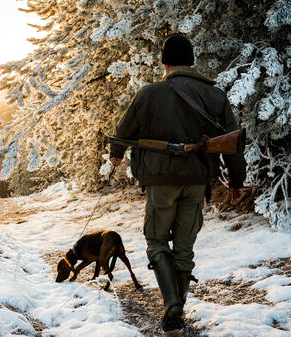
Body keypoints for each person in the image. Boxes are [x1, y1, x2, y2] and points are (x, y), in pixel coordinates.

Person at [109, 34, 246, 333]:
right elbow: (234, 144)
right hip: (198, 182)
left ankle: (172, 303)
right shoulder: (215, 96)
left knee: (157, 241)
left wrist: (115, 155)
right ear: (192, 61)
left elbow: (122, 131)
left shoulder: (148, 94)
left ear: (164, 62)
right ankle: (177, 308)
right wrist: (237, 181)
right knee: (184, 250)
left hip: (160, 183)